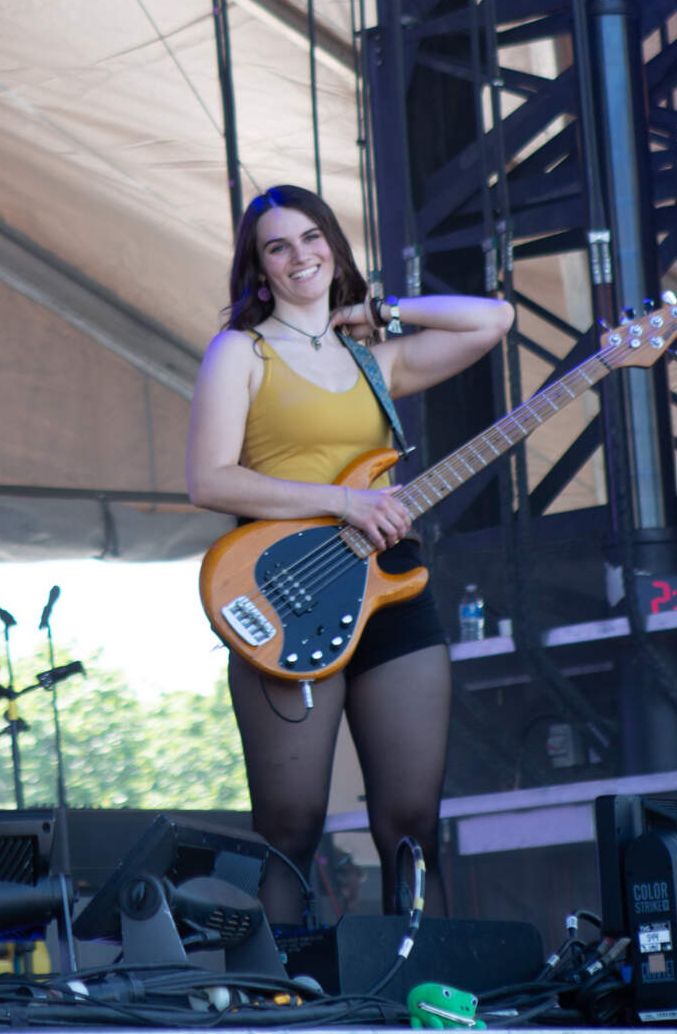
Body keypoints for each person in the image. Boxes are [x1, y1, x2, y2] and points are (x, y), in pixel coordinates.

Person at [184, 184, 512, 922]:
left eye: (311, 238)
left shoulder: (375, 360)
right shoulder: (240, 351)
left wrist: (378, 312)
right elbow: (209, 479)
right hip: (286, 592)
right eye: (278, 246)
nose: (299, 256)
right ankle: (280, 1004)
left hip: (392, 591)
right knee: (290, 828)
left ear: (332, 245)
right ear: (258, 268)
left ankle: (419, 993)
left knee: (412, 825)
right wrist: (343, 501)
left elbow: (495, 318)